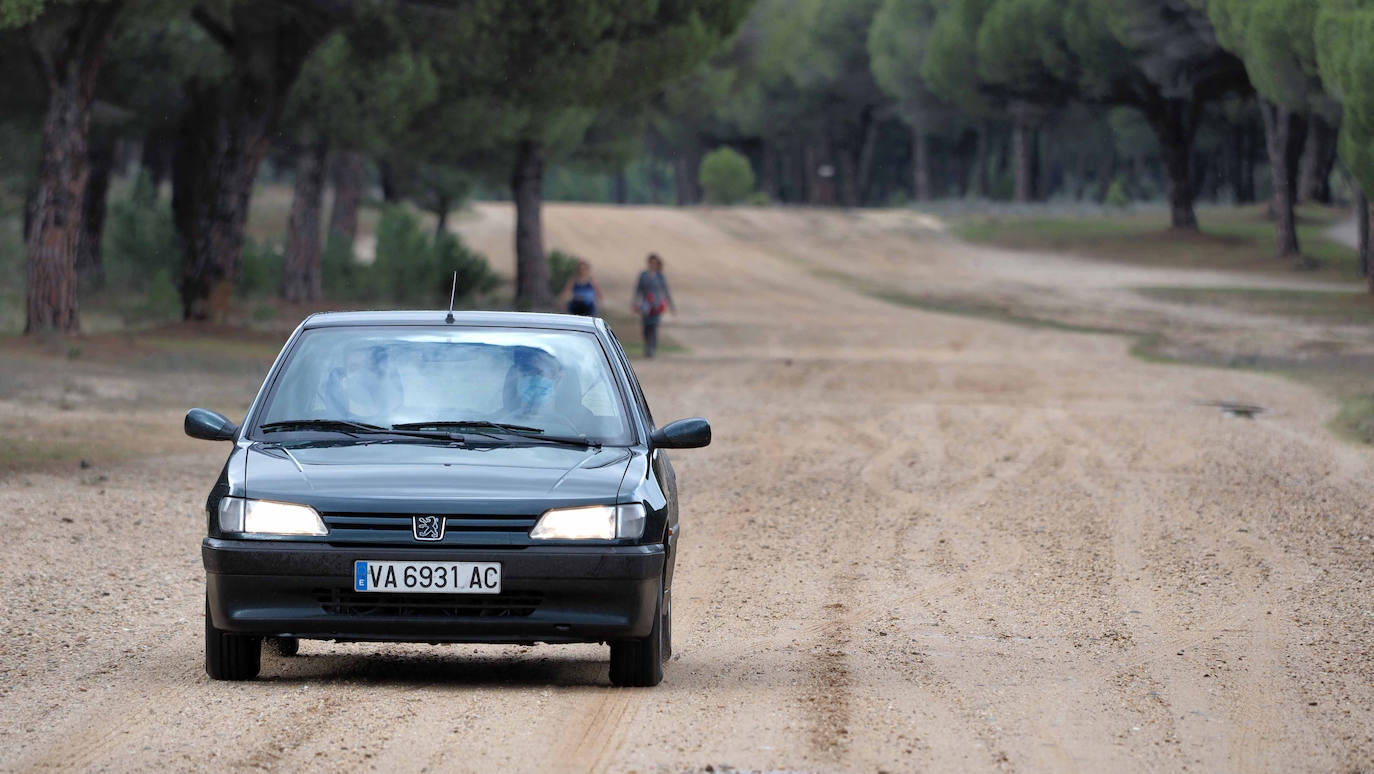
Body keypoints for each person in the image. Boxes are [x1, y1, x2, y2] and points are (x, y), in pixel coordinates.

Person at [632, 253, 675, 358]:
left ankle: (652, 349)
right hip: (646, 304)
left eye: (655, 263)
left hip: (656, 305)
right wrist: (635, 302)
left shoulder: (660, 276)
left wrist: (670, 305)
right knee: (646, 327)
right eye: (651, 262)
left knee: (654, 327)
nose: (653, 264)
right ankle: (647, 346)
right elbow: (638, 289)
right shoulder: (643, 275)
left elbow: (665, 290)